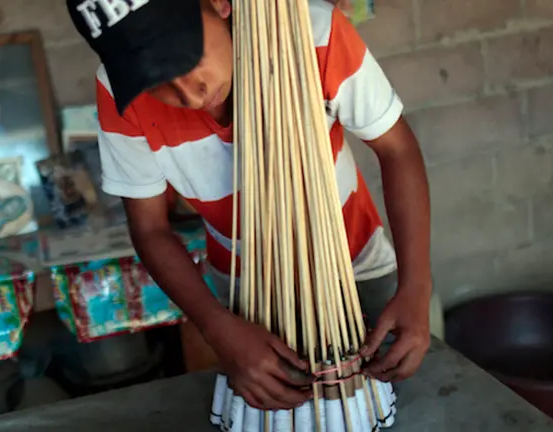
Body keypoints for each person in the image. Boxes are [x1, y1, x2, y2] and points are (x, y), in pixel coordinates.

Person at [67, 0, 433, 411]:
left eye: (185, 59)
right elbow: (151, 228)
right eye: (156, 81)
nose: (189, 94)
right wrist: (216, 326)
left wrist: (416, 287)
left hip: (357, 269)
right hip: (244, 297)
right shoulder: (119, 95)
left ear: (219, 5)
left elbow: (398, 149)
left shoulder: (311, 34)